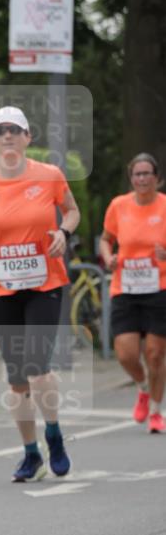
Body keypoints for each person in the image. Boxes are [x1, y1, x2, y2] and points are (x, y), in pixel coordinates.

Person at [0, 106, 81, 482]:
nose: (8, 135)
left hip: (45, 284)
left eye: (15, 129)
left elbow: (72, 212)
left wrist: (64, 233)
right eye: (0, 130)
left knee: (37, 365)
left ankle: (55, 435)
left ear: (28, 137)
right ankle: (31, 454)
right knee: (16, 378)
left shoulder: (50, 176)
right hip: (2, 287)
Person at [99, 153, 166, 433]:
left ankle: (155, 411)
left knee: (154, 354)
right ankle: (142, 388)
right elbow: (106, 239)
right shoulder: (118, 206)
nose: (142, 179)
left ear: (156, 177)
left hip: (159, 288)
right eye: (137, 175)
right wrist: (109, 257)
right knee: (126, 354)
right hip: (124, 287)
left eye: (146, 174)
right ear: (131, 179)